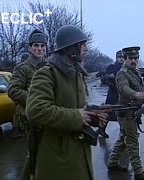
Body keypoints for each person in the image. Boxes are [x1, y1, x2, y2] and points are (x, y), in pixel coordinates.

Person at [25, 25, 108, 180]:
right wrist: (78, 117)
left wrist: (92, 117)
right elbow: (35, 110)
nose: (86, 49)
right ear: (72, 48)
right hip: (58, 158)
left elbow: (76, 109)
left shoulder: (77, 74)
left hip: (78, 152)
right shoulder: (47, 74)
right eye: (83, 44)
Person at [107, 46, 144, 180]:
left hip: (134, 111)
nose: (133, 61)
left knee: (123, 139)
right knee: (132, 141)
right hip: (126, 112)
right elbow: (123, 88)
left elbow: (141, 89)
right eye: (130, 58)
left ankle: (112, 162)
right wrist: (136, 94)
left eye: (136, 58)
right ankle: (139, 172)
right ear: (125, 59)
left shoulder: (136, 72)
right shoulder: (122, 73)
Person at [7, 29, 48, 140]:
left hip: (49, 115)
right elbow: (13, 90)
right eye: (36, 45)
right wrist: (35, 99)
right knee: (34, 151)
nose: (39, 49)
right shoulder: (22, 68)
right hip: (31, 117)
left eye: (42, 45)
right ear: (30, 48)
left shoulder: (51, 67)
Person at [96, 50, 125, 138]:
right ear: (116, 58)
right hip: (113, 94)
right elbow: (104, 79)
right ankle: (101, 129)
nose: (121, 59)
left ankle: (123, 132)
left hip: (121, 94)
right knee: (109, 112)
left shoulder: (124, 68)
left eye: (122, 57)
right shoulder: (112, 67)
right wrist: (109, 77)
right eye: (119, 57)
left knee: (122, 112)